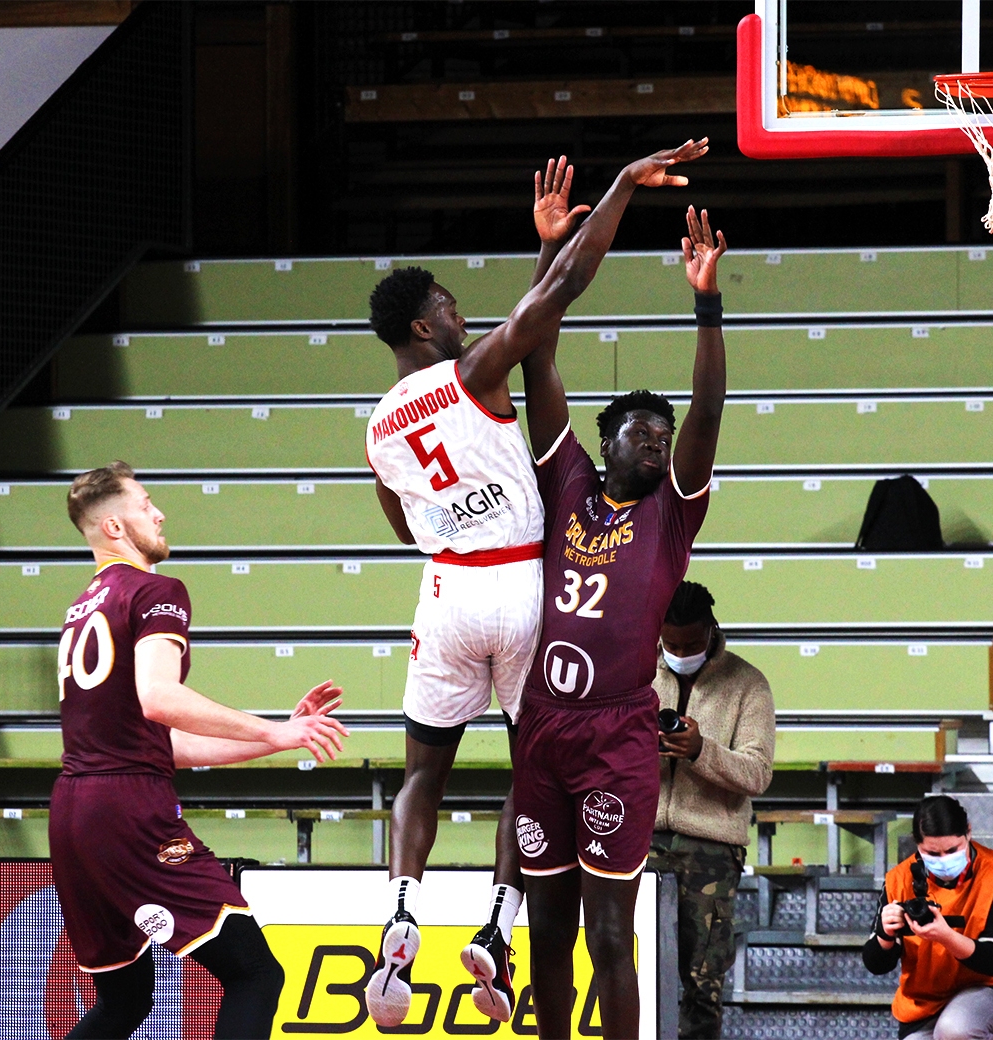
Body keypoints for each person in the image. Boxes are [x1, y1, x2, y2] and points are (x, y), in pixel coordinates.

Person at [362, 142, 708, 1026]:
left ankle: (403, 909)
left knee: (423, 774)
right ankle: (500, 917)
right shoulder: (473, 375)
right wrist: (618, 192)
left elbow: (402, 524)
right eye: (448, 307)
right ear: (426, 330)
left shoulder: (375, 429)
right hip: (517, 590)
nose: (459, 313)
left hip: (443, 591)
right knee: (534, 748)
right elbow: (546, 317)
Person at [513, 202, 727, 1040]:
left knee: (610, 934)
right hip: (542, 724)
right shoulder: (564, 481)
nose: (657, 444)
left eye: (663, 436)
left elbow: (708, 412)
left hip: (616, 735)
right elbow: (534, 355)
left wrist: (706, 304)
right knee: (546, 934)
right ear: (604, 441)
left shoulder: (672, 514)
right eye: (641, 433)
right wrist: (548, 249)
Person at [51, 461, 349, 1040]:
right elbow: (160, 698)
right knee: (255, 974)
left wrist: (276, 737)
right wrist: (269, 731)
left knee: (126, 998)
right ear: (114, 528)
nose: (158, 513)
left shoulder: (82, 606)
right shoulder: (156, 591)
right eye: (143, 504)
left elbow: (167, 745)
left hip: (74, 812)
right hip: (128, 811)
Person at [646, 580, 775, 1039]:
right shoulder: (636, 671)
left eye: (692, 643)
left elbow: (757, 774)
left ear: (712, 629)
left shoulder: (747, 684)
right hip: (639, 842)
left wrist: (701, 750)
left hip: (712, 852)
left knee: (702, 981)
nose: (681, 650)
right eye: (671, 643)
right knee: (632, 967)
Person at [863, 795, 993, 1040]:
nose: (943, 860)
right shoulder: (898, 879)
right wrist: (885, 934)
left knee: (955, 1029)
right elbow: (876, 964)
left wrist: (946, 936)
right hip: (927, 1003)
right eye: (931, 853)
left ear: (968, 833)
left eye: (952, 850)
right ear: (917, 845)